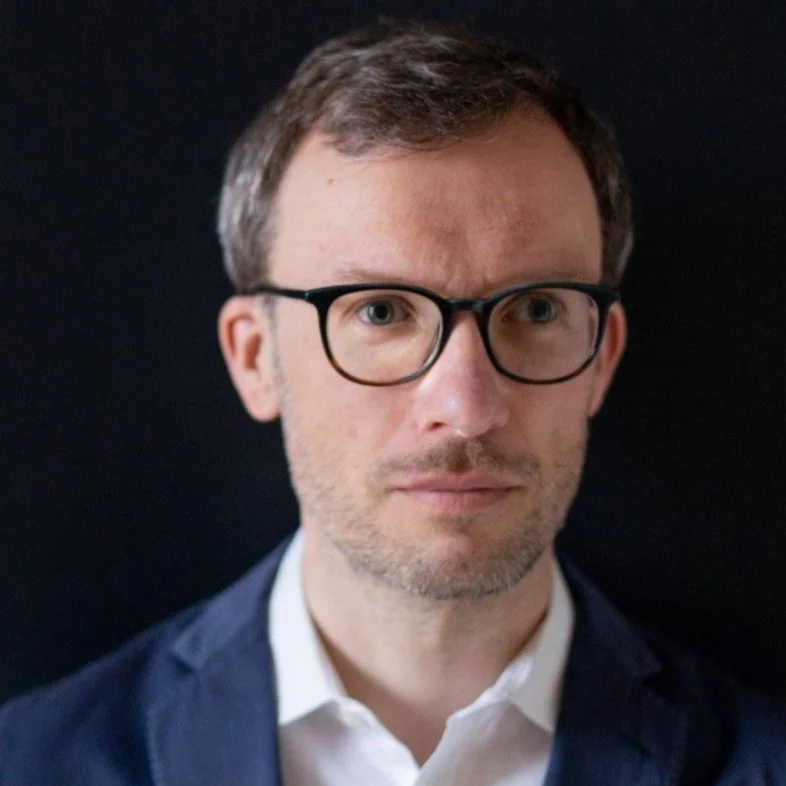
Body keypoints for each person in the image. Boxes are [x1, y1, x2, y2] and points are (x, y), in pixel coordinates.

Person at [1, 18, 784, 786]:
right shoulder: (33, 763)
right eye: (380, 312)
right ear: (255, 358)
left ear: (602, 358)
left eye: (537, 311)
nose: (466, 407)